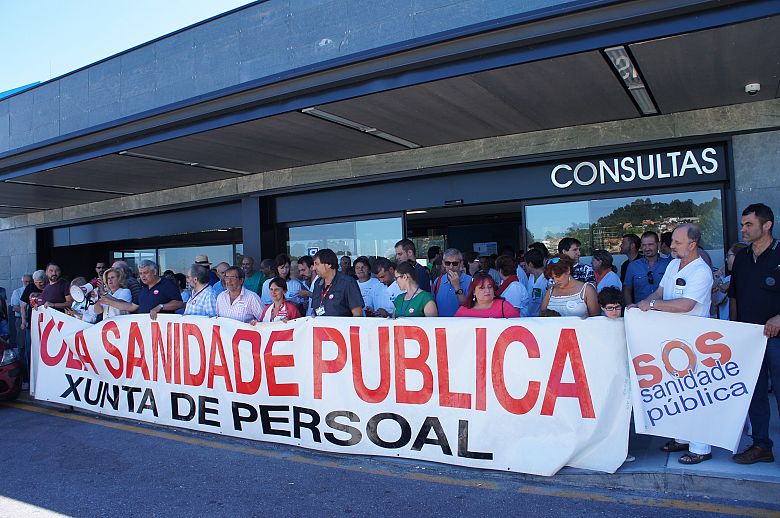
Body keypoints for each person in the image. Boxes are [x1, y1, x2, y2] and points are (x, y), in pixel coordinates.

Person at [630, 223, 713, 465]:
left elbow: (686, 305)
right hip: (672, 340)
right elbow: (660, 291)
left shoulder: (701, 271)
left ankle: (701, 447)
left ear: (692, 244)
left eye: (677, 242)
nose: (672, 246)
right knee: (677, 393)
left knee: (696, 395)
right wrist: (642, 303)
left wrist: (652, 306)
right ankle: (681, 438)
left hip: (695, 342)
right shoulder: (675, 265)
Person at [730, 204, 780, 465]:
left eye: (749, 224)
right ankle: (761, 445)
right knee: (755, 393)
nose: (743, 229)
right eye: (742, 224)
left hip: (777, 339)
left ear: (767, 225)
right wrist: (734, 330)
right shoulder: (741, 257)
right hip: (749, 339)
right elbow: (735, 296)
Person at [99, 259, 184, 318]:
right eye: (140, 273)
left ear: (154, 272)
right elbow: (131, 307)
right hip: (145, 331)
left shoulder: (166, 284)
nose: (143, 276)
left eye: (145, 273)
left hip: (163, 330)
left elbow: (179, 303)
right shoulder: (144, 288)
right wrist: (108, 301)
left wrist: (161, 306)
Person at [311, 249, 364, 317]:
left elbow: (357, 314)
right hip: (321, 326)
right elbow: (315, 310)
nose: (314, 268)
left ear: (328, 264)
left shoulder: (348, 283)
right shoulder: (317, 283)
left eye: (317, 264)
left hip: (342, 327)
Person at [623, 231, 671, 306]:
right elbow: (627, 289)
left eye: (650, 244)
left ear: (658, 245)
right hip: (640, 311)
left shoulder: (669, 264)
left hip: (663, 310)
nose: (647, 248)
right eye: (644, 245)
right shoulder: (633, 266)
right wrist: (630, 308)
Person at [19, 270, 46, 387]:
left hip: (46, 325)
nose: (38, 285)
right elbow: (23, 306)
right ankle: (29, 380)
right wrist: (24, 321)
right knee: (30, 352)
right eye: (36, 282)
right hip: (32, 325)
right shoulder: (30, 287)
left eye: (40, 282)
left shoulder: (49, 286)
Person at [455, 272, 519, 318]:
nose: (487, 291)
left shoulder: (505, 307)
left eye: (490, 287)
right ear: (474, 291)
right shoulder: (462, 311)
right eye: (482, 288)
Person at [711, 242, 748, 320]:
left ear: (738, 256)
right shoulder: (728, 279)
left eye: (729, 256)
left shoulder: (732, 280)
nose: (726, 259)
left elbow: (716, 300)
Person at [432, 248, 471, 317]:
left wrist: (457, 287)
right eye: (447, 263)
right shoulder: (438, 281)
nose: (451, 267)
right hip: (443, 325)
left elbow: (468, 306)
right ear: (443, 263)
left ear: (461, 263)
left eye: (455, 263)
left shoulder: (470, 281)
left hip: (463, 325)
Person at [10, 274, 32, 350]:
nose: (28, 283)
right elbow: (15, 307)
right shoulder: (17, 292)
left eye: (30, 282)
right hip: (21, 319)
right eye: (26, 282)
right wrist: (26, 311)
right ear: (22, 281)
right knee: (21, 343)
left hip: (33, 319)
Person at [524, 249, 547, 318]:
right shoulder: (531, 277)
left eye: (525, 264)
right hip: (529, 316)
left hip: (541, 319)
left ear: (530, 264)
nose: (525, 267)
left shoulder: (547, 279)